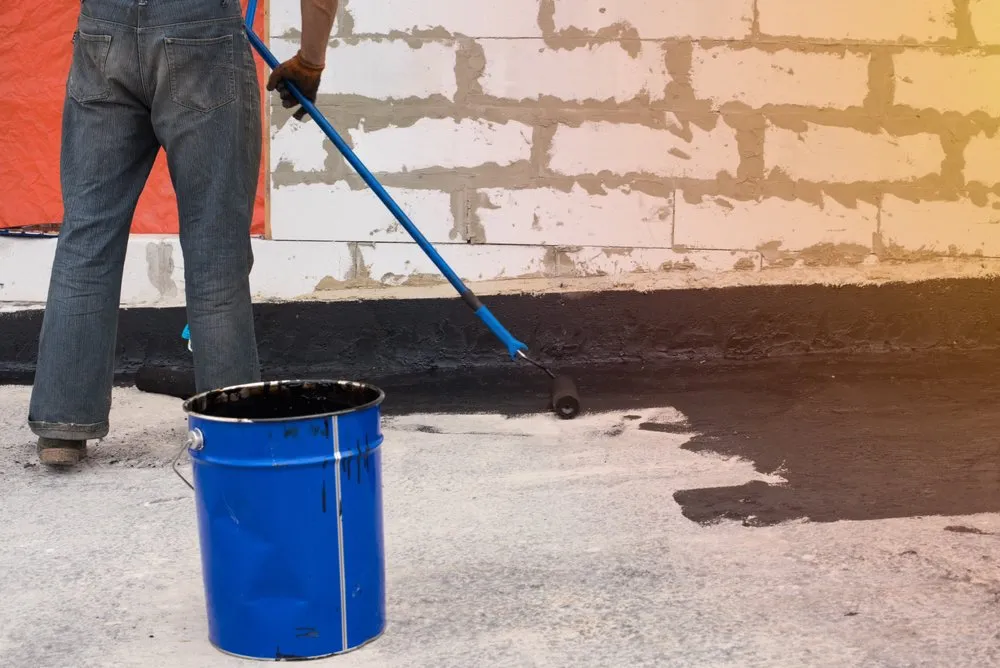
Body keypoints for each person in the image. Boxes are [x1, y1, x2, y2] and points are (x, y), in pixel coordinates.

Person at [29, 0, 338, 466]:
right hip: (201, 34)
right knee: (215, 250)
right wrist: (311, 59)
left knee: (87, 238)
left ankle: (62, 426)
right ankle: (232, 433)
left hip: (102, 30)